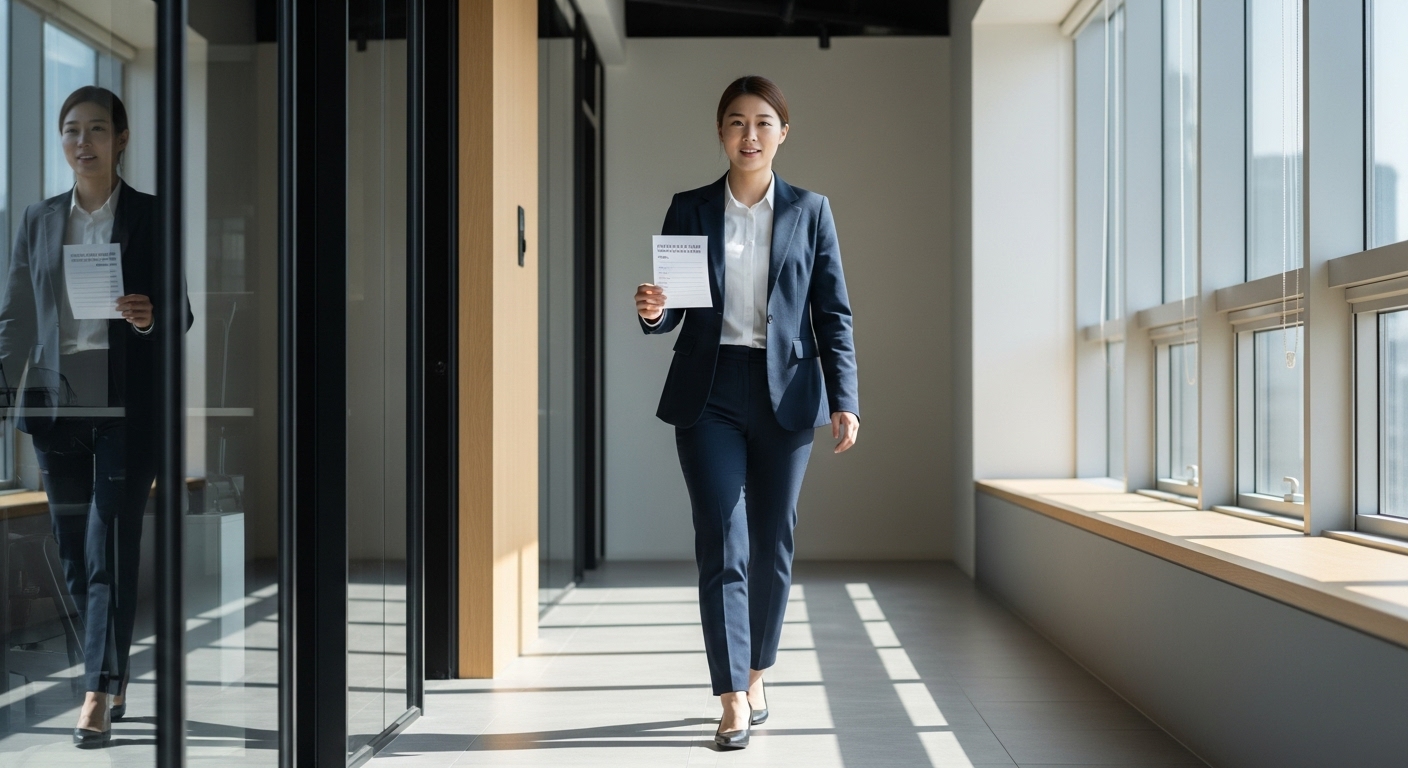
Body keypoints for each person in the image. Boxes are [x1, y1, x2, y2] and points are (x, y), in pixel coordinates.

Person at [634, 75, 859, 750]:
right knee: (722, 540)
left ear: (783, 133)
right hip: (709, 391)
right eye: (737, 122)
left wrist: (845, 399)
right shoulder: (691, 208)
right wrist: (654, 310)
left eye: (763, 122)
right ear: (721, 132)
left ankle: (758, 671)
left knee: (773, 541)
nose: (750, 135)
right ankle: (732, 695)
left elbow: (833, 312)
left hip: (786, 392)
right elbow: (673, 306)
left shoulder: (811, 211)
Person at [0, 85, 191, 748]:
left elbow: (180, 313)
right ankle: (110, 672)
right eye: (72, 130)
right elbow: (16, 316)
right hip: (58, 404)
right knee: (76, 557)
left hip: (125, 406)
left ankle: (96, 692)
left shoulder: (153, 215)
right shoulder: (38, 219)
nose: (83, 142)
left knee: (108, 547)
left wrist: (149, 315)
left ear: (121, 139)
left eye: (97, 129)